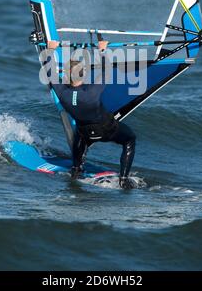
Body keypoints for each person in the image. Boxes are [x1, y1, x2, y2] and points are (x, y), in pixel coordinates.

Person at [47, 40, 137, 189]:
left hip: (86, 133)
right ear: (84, 74)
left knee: (79, 136)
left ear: (67, 77)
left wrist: (50, 50)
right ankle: (123, 179)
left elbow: (50, 73)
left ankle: (76, 170)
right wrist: (102, 50)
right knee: (130, 139)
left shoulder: (62, 93)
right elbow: (107, 70)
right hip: (107, 130)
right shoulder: (91, 92)